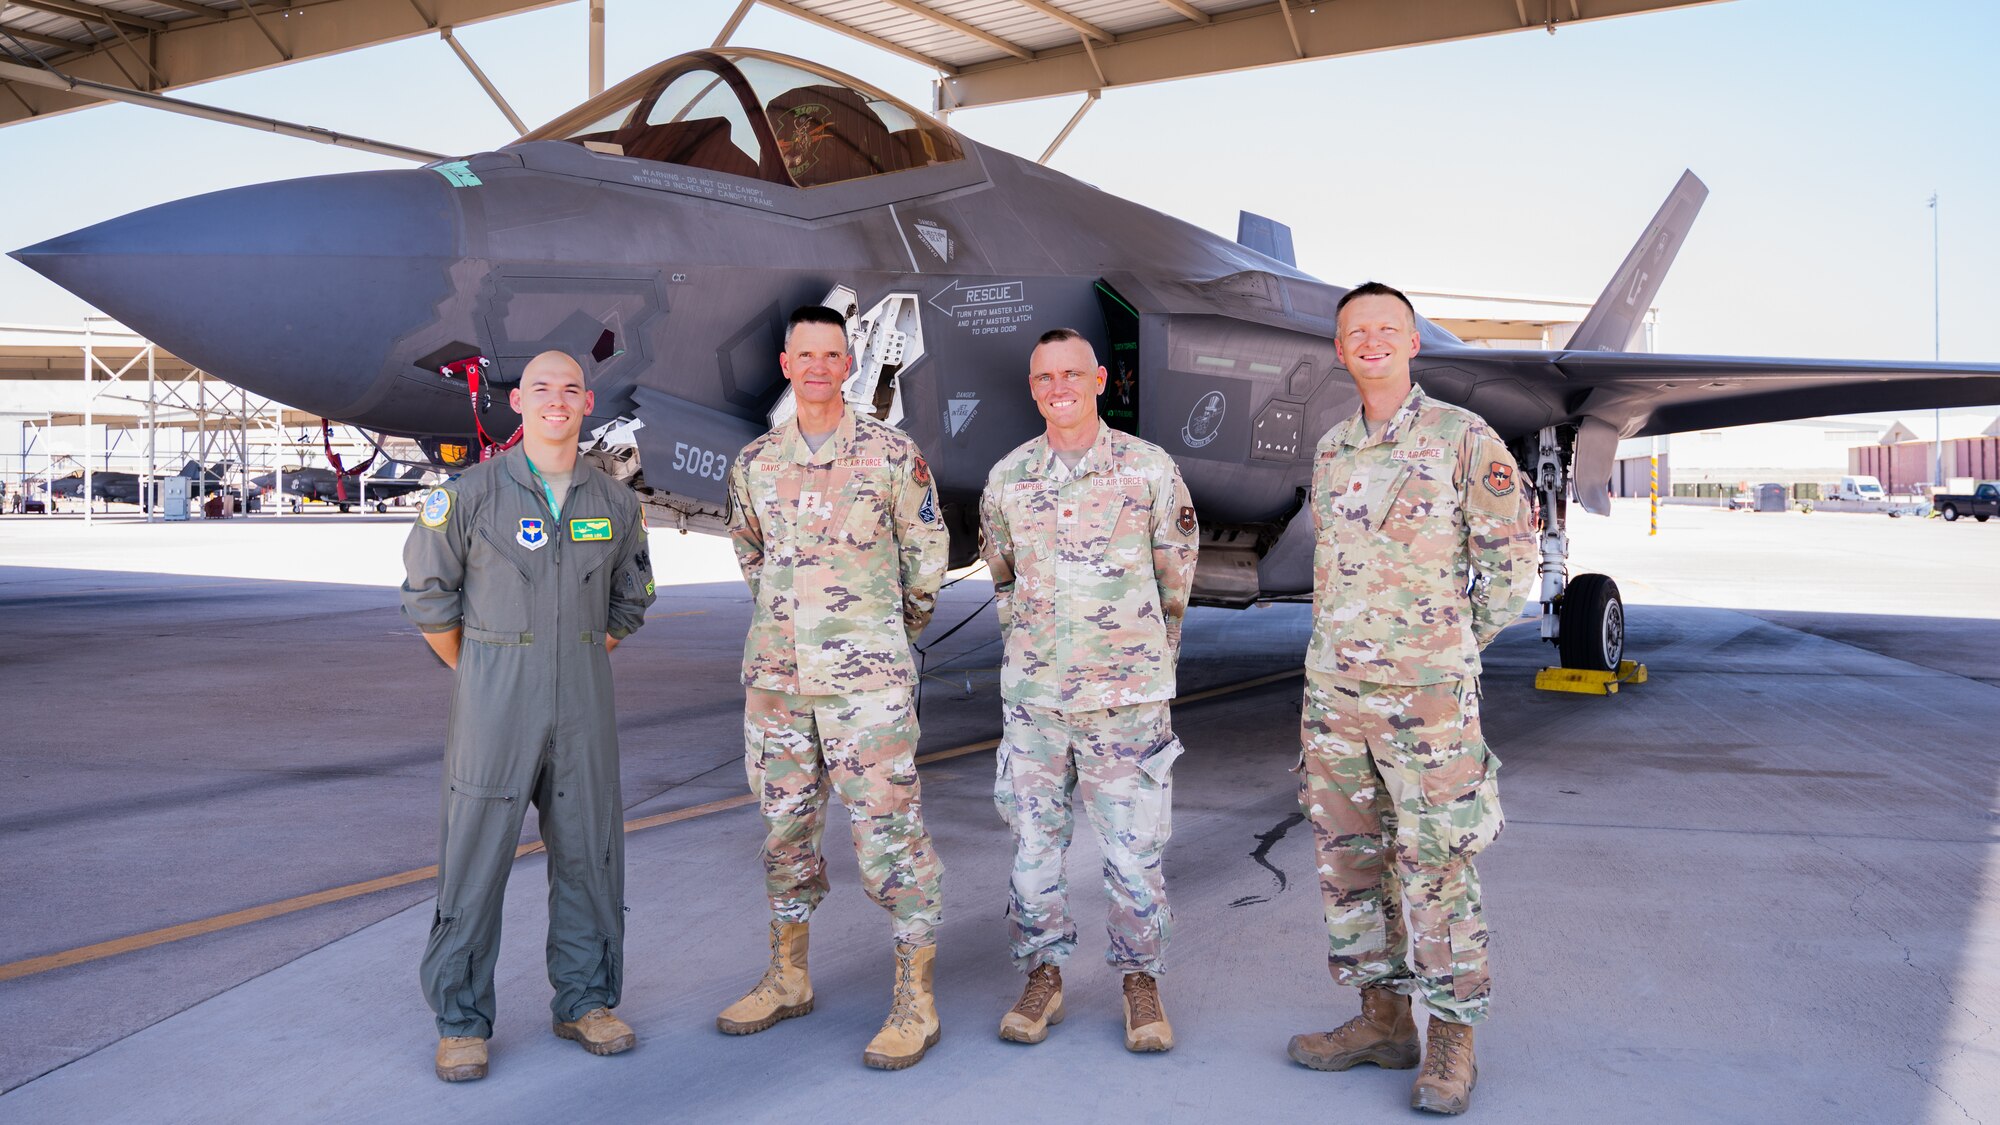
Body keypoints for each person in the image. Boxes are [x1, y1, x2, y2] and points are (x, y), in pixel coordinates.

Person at [1286, 283, 1537, 1115]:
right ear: (1339, 346)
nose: (1371, 341)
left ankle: (1453, 1040)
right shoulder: (1331, 449)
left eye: (1386, 328)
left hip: (1426, 703)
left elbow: (1510, 567)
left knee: (1438, 868)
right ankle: (1383, 1019)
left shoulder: (1463, 439)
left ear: (1413, 342)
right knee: (1349, 867)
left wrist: (1450, 650)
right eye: (1356, 331)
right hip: (1336, 698)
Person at [401, 349, 656, 1082]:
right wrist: (485, 665)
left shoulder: (615, 504)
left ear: (587, 402)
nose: (555, 399)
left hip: (582, 692)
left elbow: (629, 602)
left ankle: (585, 1000)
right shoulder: (471, 494)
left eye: (569, 388)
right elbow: (427, 595)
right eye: (541, 388)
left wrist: (567, 657)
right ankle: (460, 1019)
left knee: (591, 852)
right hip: (494, 695)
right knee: (475, 857)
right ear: (517, 403)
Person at [719, 305, 949, 1070]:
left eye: (832, 354)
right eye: (804, 354)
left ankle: (915, 997)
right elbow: (752, 558)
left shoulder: (890, 454)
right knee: (784, 833)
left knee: (889, 836)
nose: (819, 366)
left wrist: (881, 636)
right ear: (786, 364)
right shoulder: (755, 461)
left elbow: (926, 562)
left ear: (849, 364)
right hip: (779, 684)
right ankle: (788, 976)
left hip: (867, 687)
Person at [978, 328, 1199, 1053]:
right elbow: (1004, 582)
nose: (1059, 386)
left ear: (1100, 380)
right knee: (1033, 850)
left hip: (1125, 700)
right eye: (1045, 377)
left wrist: (1143, 661)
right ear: (1033, 386)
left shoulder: (1147, 469)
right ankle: (1043, 974)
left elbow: (1176, 576)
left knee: (1134, 852)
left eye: (1072, 373)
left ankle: (1141, 981)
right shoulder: (1008, 477)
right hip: (1037, 703)